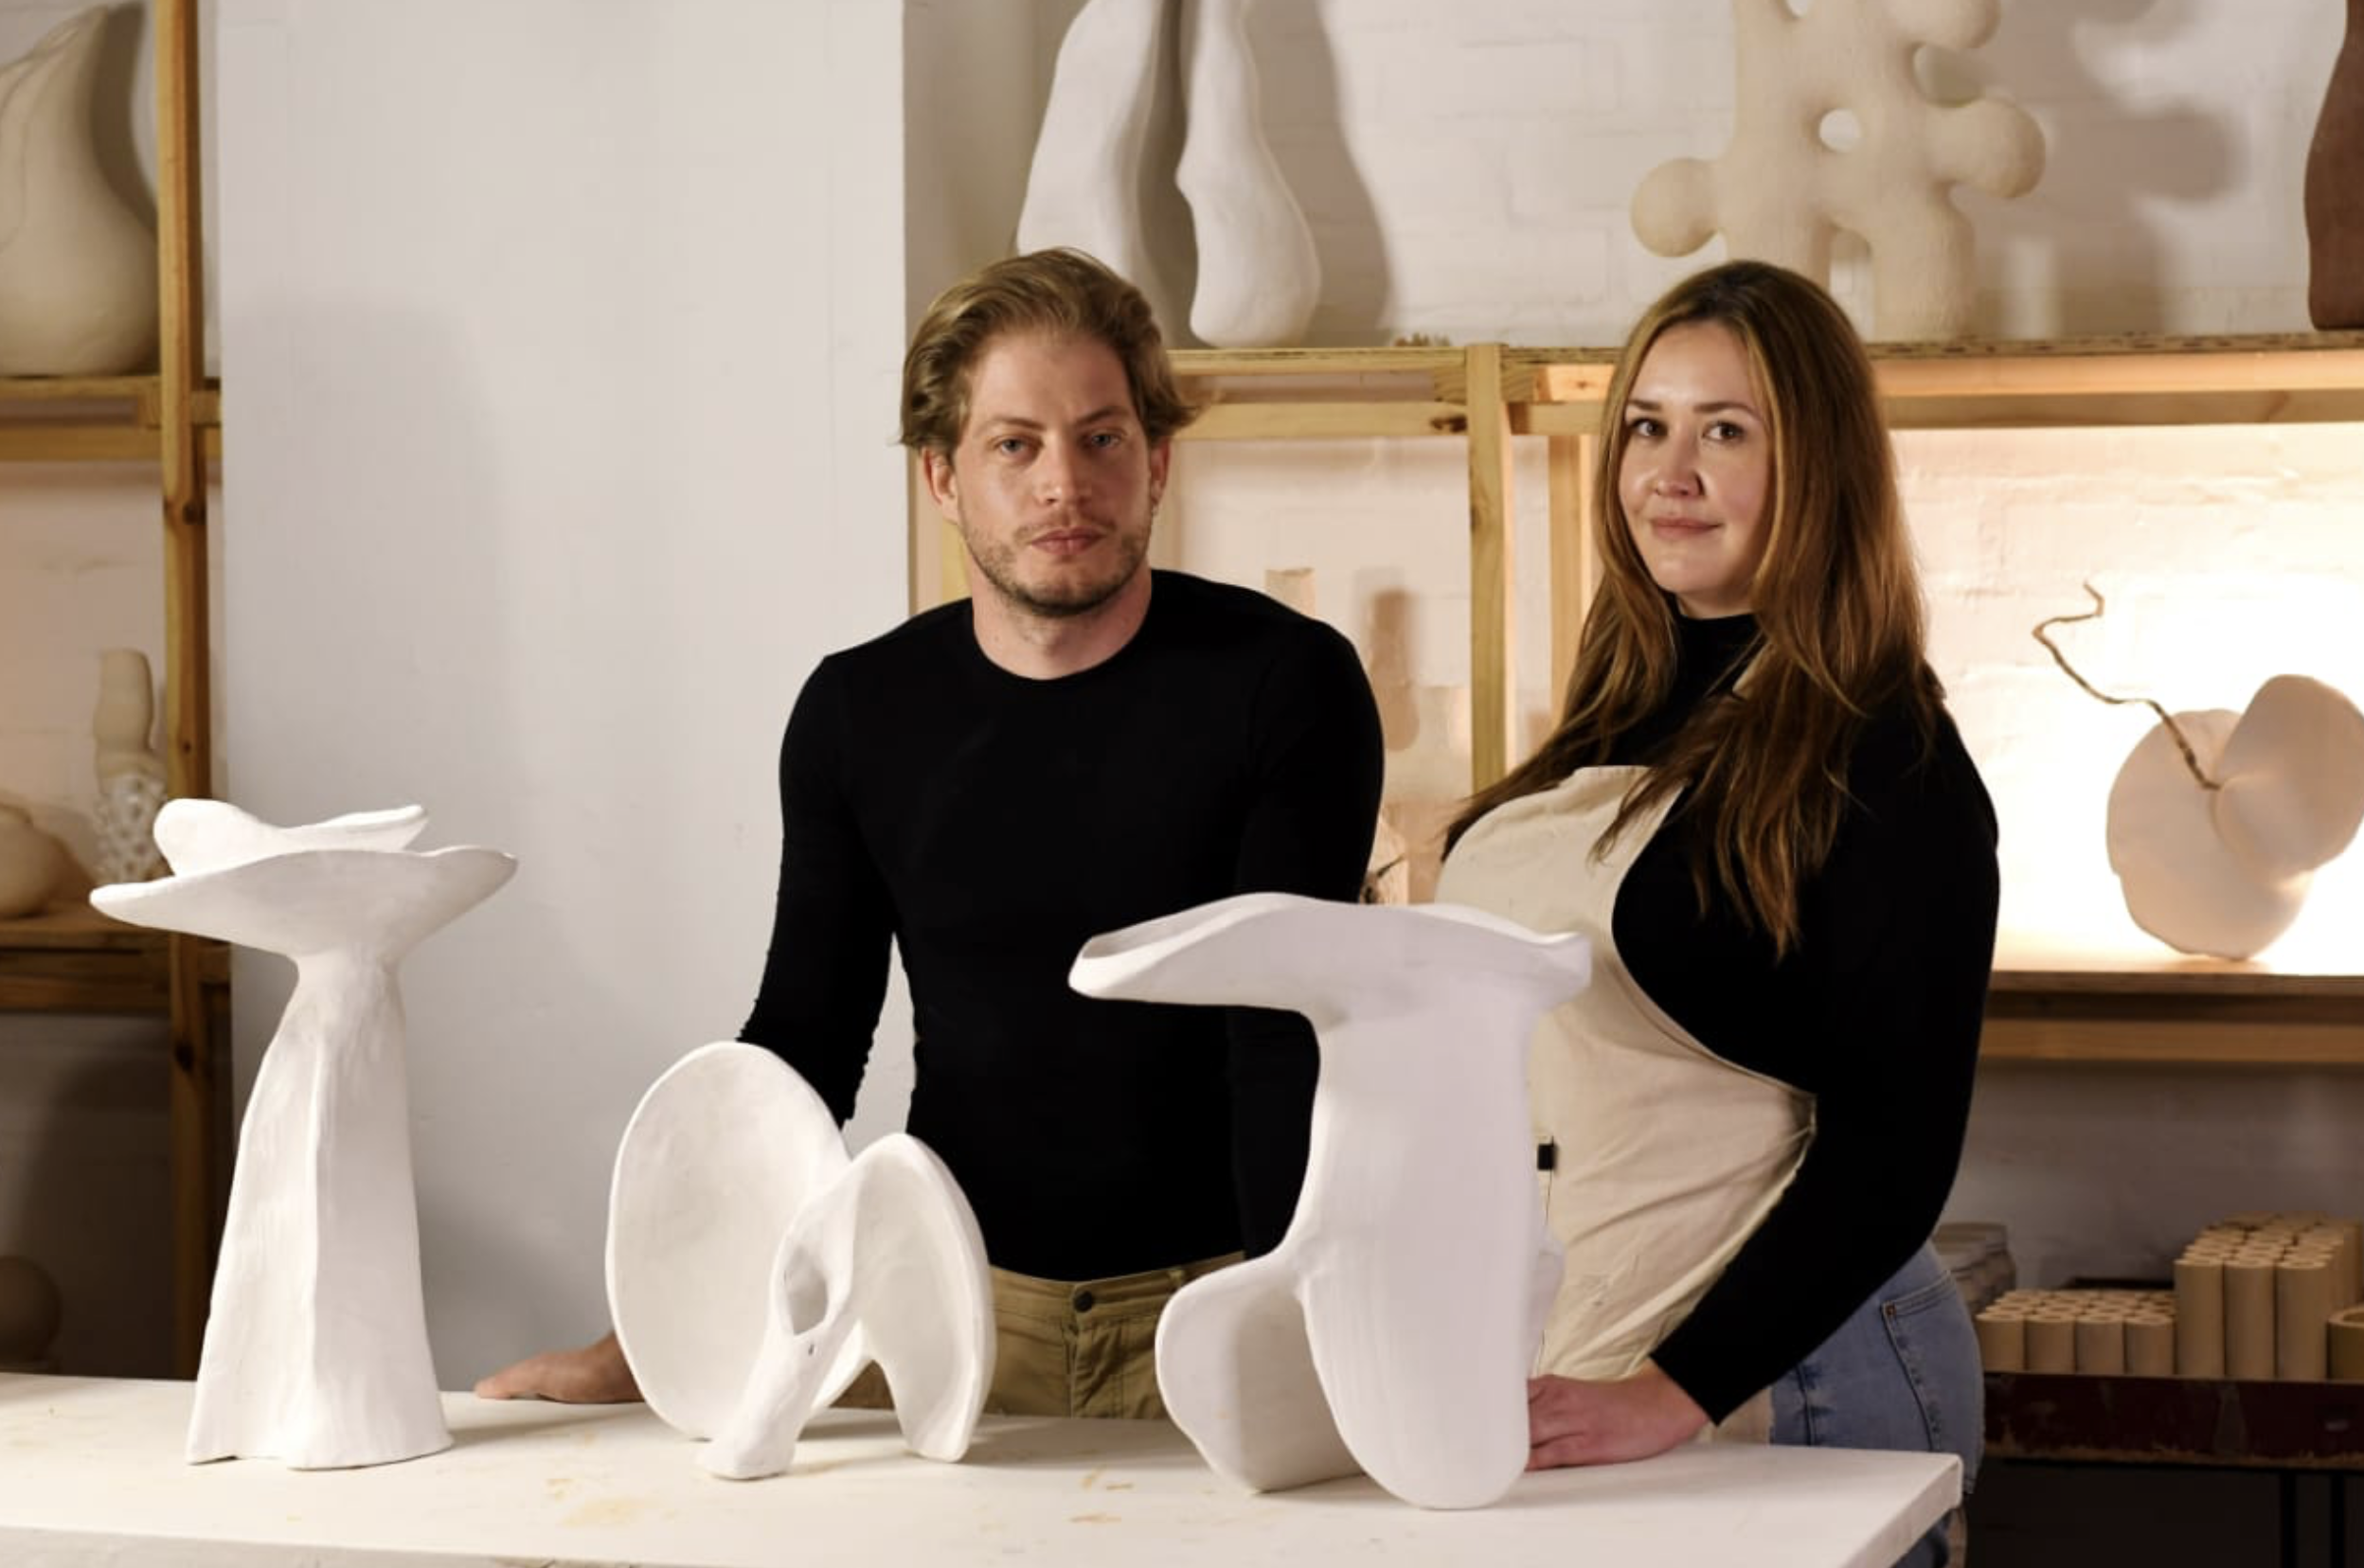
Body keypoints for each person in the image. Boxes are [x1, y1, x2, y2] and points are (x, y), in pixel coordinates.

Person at [476, 247, 1384, 1418]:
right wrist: (649, 1343)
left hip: (1218, 1310)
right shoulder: (861, 713)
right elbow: (802, 1046)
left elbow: (1284, 1039)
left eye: (1102, 438)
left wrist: (1295, 1336)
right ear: (943, 478)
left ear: (1158, 461)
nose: (1065, 483)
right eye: (1016, 444)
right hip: (946, 1315)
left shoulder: (1285, 684)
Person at [1435, 259, 1996, 1565]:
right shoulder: (1603, 727)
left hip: (1786, 1381)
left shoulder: (1885, 759)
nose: (1668, 471)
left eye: (1725, 432)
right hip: (1594, 1360)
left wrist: (1667, 1394)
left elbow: (1896, 1153)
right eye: (1647, 425)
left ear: (1819, 468)